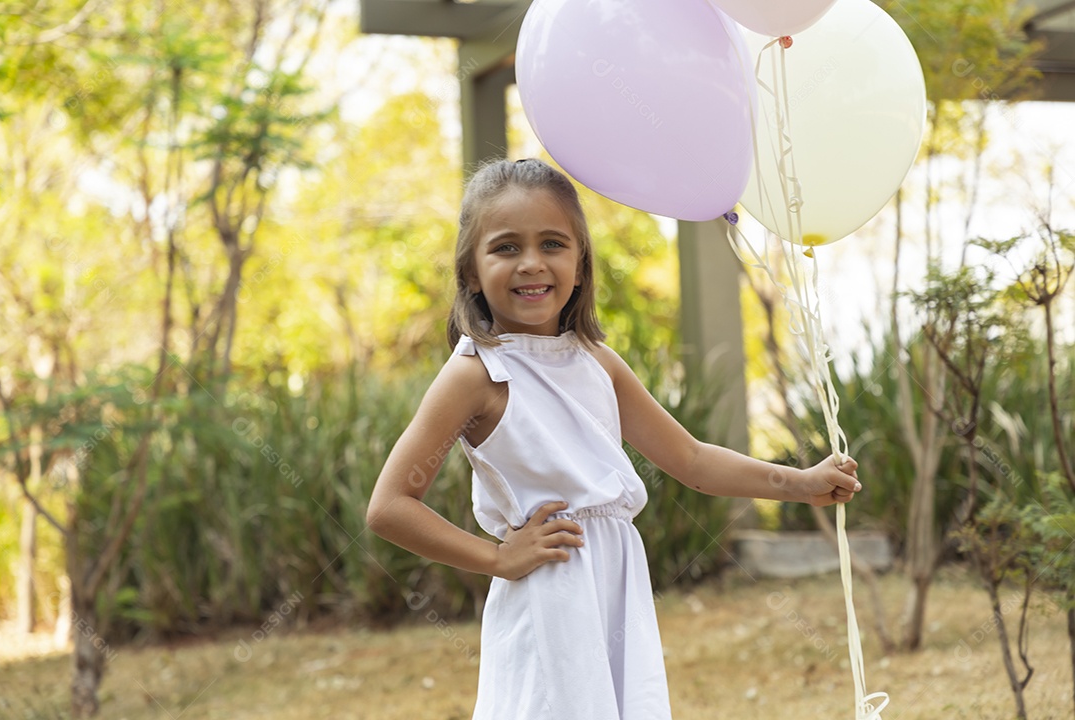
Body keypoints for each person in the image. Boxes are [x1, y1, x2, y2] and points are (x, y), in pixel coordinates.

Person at [366, 158, 862, 720]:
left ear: (580, 265)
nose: (532, 263)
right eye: (506, 248)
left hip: (616, 584)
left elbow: (692, 460)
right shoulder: (477, 373)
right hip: (548, 590)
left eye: (553, 243)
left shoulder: (597, 361)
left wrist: (801, 483)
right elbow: (389, 507)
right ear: (472, 273)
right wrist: (498, 557)